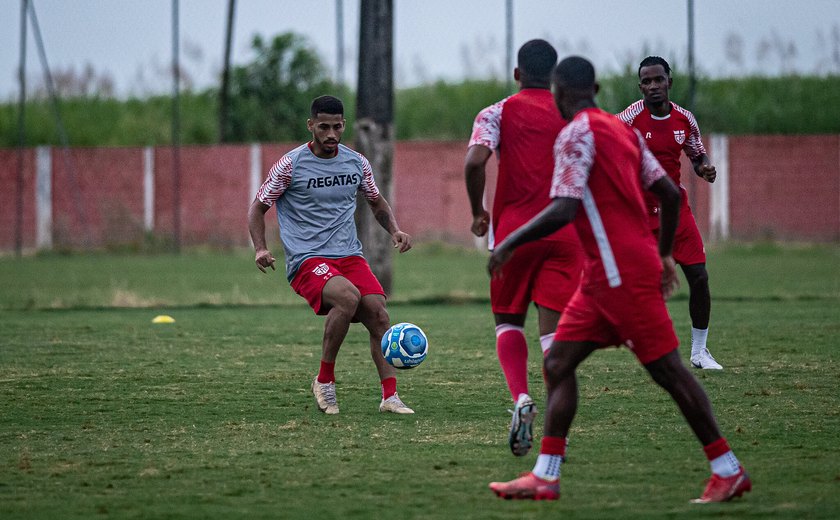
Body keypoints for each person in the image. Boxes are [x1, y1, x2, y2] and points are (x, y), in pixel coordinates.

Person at [487, 56, 751, 503]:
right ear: (596, 87)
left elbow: (565, 208)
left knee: (669, 372)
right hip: (601, 279)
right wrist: (665, 253)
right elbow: (670, 194)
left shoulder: (574, 134)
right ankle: (546, 476)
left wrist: (511, 241)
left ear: (558, 92)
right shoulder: (621, 130)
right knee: (556, 365)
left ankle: (727, 469)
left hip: (620, 276)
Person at [247, 95, 415, 416]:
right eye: (323, 127)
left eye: (337, 127)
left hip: (348, 255)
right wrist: (261, 247)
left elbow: (376, 202)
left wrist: (394, 230)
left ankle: (390, 397)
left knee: (378, 312)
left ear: (344, 125)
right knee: (348, 297)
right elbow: (258, 207)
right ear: (310, 125)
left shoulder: (356, 162)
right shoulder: (291, 165)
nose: (331, 135)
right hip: (307, 259)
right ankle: (324, 381)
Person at [464, 39, 584, 457]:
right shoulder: (574, 114)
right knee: (554, 339)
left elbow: (475, 162)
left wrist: (479, 211)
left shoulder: (496, 112)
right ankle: (559, 436)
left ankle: (520, 398)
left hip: (514, 237)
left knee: (508, 322)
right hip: (565, 234)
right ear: (554, 77)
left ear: (517, 74)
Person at [617, 56, 721, 370]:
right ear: (640, 87)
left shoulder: (685, 119)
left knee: (699, 278)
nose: (653, 86)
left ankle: (700, 352)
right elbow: (607, 147)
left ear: (669, 82)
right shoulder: (628, 118)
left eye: (658, 80)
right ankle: (647, 346)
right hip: (641, 215)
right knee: (643, 288)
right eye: (646, 82)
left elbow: (696, 152)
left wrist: (704, 169)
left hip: (676, 212)